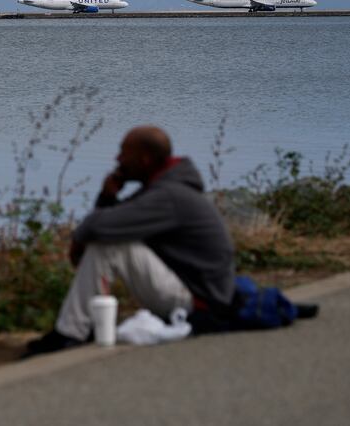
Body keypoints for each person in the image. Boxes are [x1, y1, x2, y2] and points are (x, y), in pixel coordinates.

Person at [25, 126, 236, 356]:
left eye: (124, 153)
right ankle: (77, 328)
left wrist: (77, 240)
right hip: (201, 295)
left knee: (110, 246)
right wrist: (108, 196)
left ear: (144, 159)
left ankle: (71, 333)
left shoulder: (169, 196)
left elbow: (98, 227)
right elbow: (112, 223)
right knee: (110, 240)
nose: (117, 159)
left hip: (201, 304)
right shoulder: (163, 189)